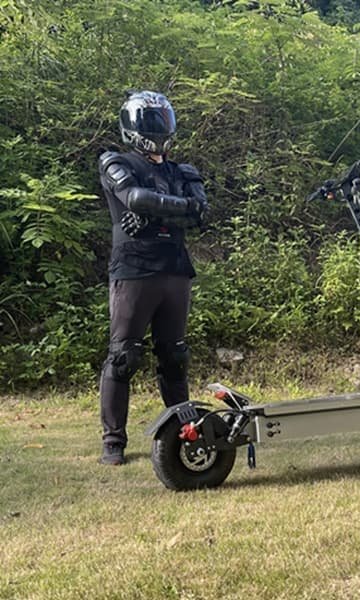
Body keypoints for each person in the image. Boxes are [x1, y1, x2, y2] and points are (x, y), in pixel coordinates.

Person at [97, 90, 207, 465]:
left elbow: (201, 212)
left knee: (174, 355)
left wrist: (154, 211)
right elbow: (134, 198)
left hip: (174, 267)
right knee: (123, 355)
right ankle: (113, 442)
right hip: (134, 267)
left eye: (163, 120)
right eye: (152, 121)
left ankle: (184, 433)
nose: (159, 128)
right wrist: (175, 209)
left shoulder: (182, 171)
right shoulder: (114, 161)